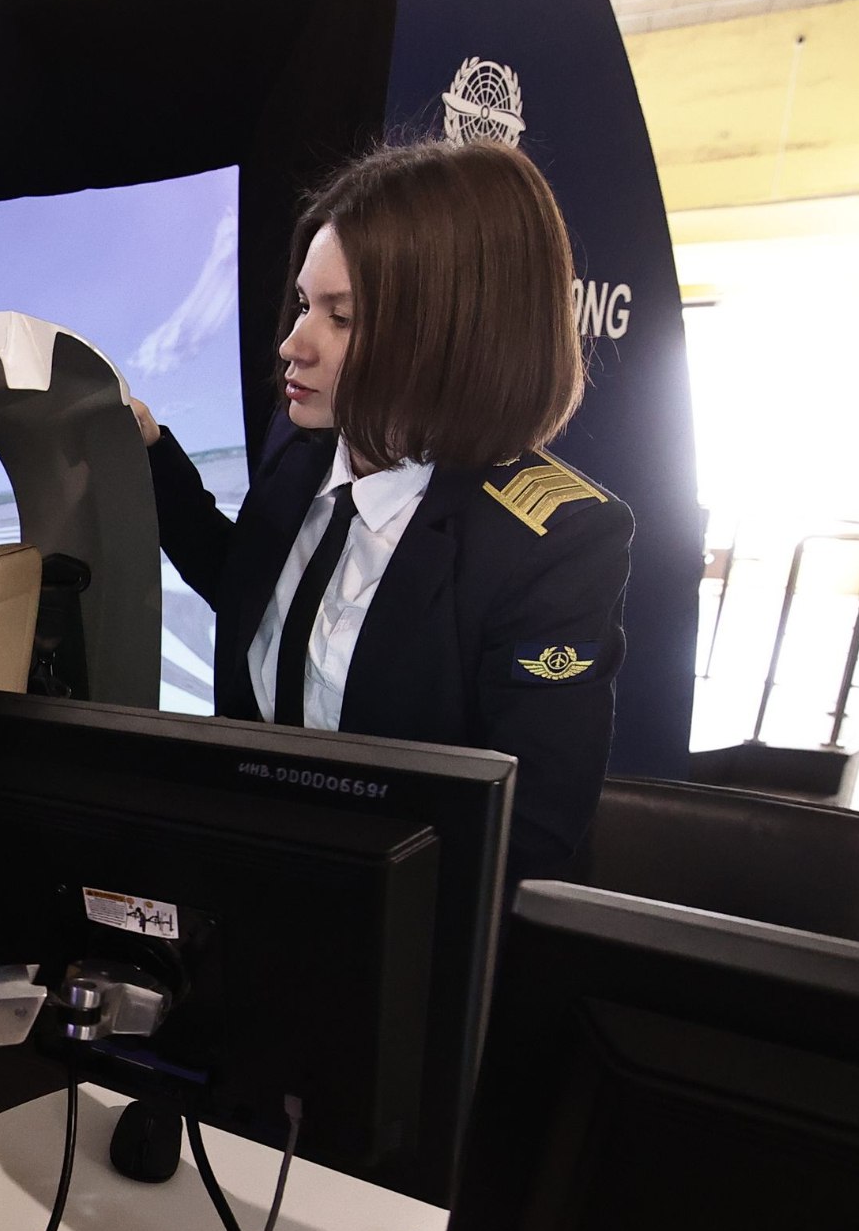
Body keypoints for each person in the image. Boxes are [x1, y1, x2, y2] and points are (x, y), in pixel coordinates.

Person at [132, 139, 633, 886]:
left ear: (453, 336)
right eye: (305, 305)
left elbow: (530, 830)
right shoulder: (303, 447)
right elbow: (252, 592)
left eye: (342, 318)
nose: (292, 345)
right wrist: (149, 452)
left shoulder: (551, 541)